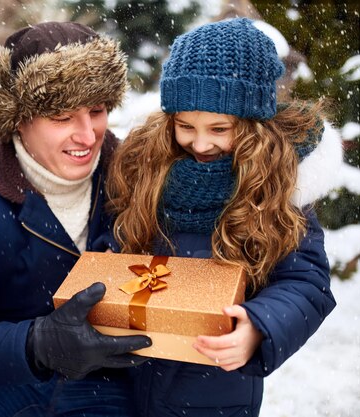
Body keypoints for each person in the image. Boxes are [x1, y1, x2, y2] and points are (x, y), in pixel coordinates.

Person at [0, 22, 152, 417]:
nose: (88, 136)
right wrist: (36, 344)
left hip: (110, 383)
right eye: (62, 116)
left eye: (97, 110)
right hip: (8, 377)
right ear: (18, 119)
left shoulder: (139, 181)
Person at [106, 18, 337, 416]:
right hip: (128, 373)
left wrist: (259, 326)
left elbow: (307, 281)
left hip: (214, 388)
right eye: (185, 126)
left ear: (252, 126)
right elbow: (116, 245)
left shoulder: (277, 188)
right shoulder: (147, 170)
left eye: (219, 128)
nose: (200, 143)